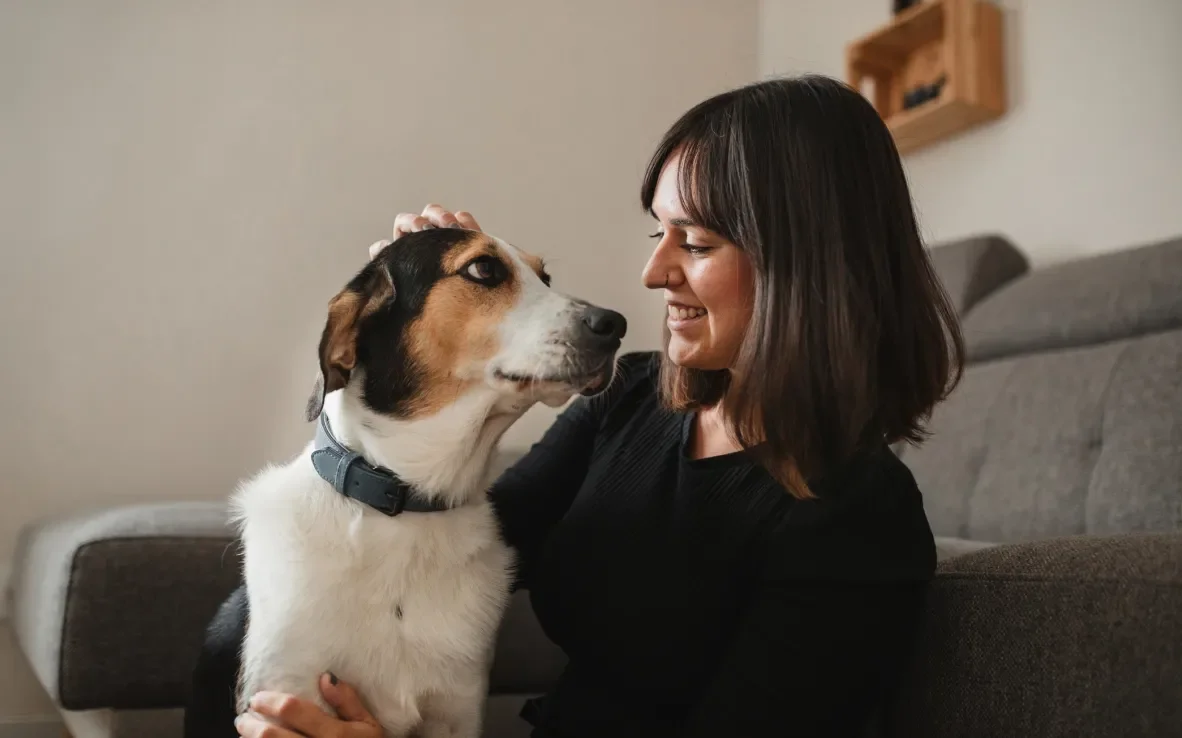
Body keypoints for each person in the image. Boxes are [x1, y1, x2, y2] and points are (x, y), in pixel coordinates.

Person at [234, 74, 964, 738]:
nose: (653, 272)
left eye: (697, 242)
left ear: (808, 264)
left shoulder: (862, 521)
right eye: (658, 232)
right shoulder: (634, 399)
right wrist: (439, 293)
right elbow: (464, 541)